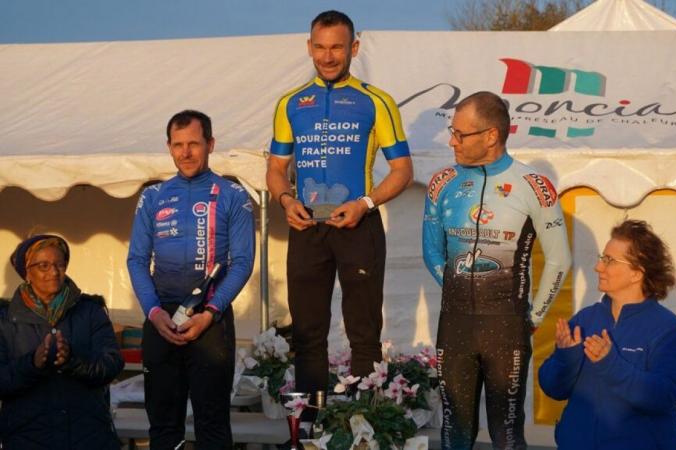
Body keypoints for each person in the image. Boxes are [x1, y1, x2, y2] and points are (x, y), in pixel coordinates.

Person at [266, 10, 413, 403]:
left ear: (354, 48)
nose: (328, 57)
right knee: (307, 333)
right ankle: (310, 428)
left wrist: (365, 203)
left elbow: (402, 170)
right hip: (306, 228)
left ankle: (362, 424)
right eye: (320, 47)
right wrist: (285, 199)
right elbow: (276, 169)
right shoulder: (291, 104)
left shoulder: (376, 101)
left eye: (337, 47)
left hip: (357, 225)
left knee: (364, 332)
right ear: (309, 47)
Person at [422, 91, 572, 449]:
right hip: (455, 322)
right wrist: (463, 286)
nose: (451, 140)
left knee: (506, 434)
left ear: (491, 135)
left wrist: (532, 316)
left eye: (461, 134)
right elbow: (431, 251)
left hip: (507, 326)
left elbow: (559, 259)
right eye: (452, 132)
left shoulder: (534, 186)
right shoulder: (442, 182)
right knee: (453, 432)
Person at [127, 110, 255, 450]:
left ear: (210, 144)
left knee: (212, 425)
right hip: (162, 319)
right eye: (178, 145)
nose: (185, 153)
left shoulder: (233, 195)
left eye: (194, 144)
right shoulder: (152, 196)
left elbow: (242, 262)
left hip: (209, 319)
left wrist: (211, 312)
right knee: (163, 426)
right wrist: (154, 313)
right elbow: (137, 260)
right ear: (169, 147)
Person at [539, 220, 676, 450]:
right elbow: (552, 388)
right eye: (602, 257)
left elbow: (662, 397)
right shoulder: (585, 320)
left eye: (609, 260)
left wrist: (610, 363)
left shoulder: (668, 330)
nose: (598, 267)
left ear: (636, 273)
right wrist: (565, 357)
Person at [0, 235, 124, 450]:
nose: (54, 272)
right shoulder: (5, 319)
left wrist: (73, 362)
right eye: (43, 266)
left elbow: (112, 363)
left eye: (60, 264)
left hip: (88, 436)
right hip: (27, 437)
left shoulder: (90, 311)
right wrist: (32, 364)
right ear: (26, 272)